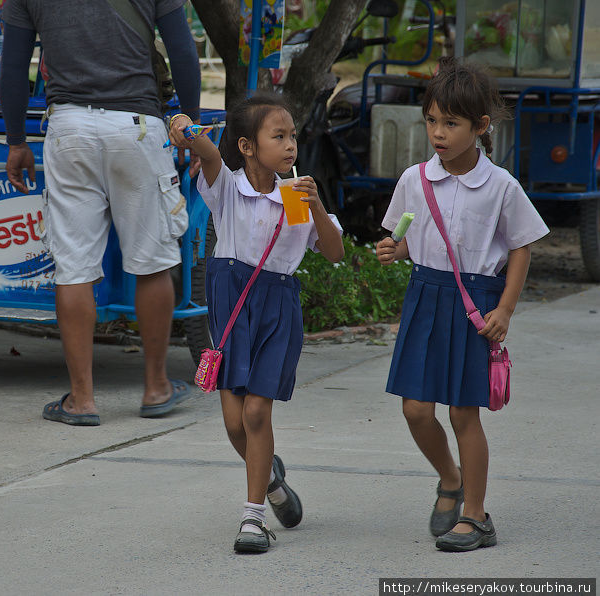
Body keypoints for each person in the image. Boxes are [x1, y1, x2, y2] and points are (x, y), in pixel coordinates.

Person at [0, 1, 202, 426]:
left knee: (74, 268)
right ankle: (156, 387)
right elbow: (183, 50)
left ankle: (82, 399)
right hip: (137, 126)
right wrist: (194, 125)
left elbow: (14, 65)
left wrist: (16, 140)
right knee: (152, 263)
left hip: (68, 128)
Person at [376, 56, 549, 552]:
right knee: (414, 409)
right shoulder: (415, 179)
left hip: (475, 302)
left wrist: (507, 309)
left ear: (480, 126)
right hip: (425, 297)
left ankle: (476, 516)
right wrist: (395, 249)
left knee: (463, 415)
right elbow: (406, 236)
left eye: (451, 123)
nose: (438, 133)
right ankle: (449, 477)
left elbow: (521, 245)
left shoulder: (500, 187)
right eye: (431, 120)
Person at [169, 92, 344, 553]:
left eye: (293, 137)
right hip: (231, 307)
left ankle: (253, 520)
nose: (290, 146)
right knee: (232, 423)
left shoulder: (297, 196)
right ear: (247, 146)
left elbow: (333, 251)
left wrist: (317, 205)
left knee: (255, 412)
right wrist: (185, 128)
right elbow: (207, 151)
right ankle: (271, 482)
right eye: (278, 136)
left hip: (277, 308)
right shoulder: (227, 187)